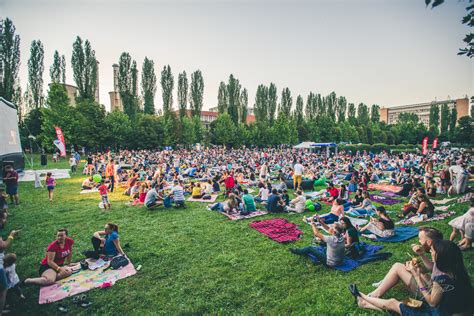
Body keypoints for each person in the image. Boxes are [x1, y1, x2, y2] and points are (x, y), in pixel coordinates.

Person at [349, 239, 473, 315]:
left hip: (437, 312)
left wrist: (416, 275)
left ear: (442, 257)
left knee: (393, 303)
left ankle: (361, 295)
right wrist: (420, 274)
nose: (431, 252)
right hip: (446, 310)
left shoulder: (442, 279)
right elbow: (438, 293)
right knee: (398, 305)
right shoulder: (457, 272)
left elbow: (432, 303)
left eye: (433, 251)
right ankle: (365, 303)